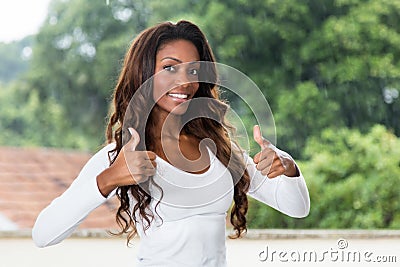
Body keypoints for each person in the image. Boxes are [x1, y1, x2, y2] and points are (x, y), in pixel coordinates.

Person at [32, 20, 310, 266]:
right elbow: (43, 234)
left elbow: (297, 208)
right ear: (143, 74)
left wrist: (287, 166)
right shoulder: (123, 156)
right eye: (169, 68)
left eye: (192, 71)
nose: (184, 83)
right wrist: (108, 179)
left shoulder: (218, 149)